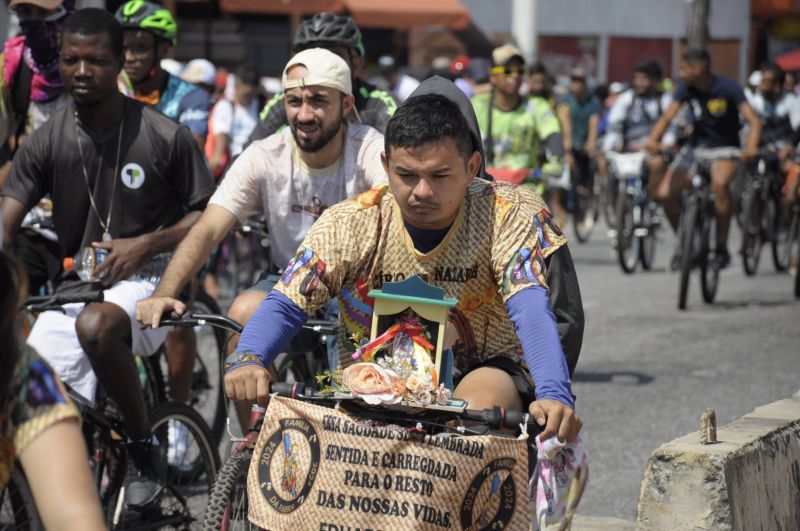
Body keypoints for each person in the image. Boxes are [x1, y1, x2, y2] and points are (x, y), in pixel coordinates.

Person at [223, 76, 584, 444]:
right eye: (406, 175)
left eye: (439, 176)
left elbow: (531, 306)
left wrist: (554, 393)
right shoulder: (350, 221)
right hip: (373, 384)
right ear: (385, 162)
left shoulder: (510, 213)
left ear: (472, 166)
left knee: (466, 420)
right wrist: (250, 355)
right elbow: (287, 300)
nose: (422, 192)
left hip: (483, 371)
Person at [0, 8, 214, 510]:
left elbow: (207, 218)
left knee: (97, 327)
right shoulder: (48, 137)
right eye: (71, 60)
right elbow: (8, 213)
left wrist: (145, 245)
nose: (80, 72)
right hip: (80, 288)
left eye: (95, 61)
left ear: (119, 62)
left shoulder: (165, 135)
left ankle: (144, 450)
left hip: (156, 286)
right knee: (32, 389)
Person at [136, 49, 388, 386]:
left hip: (357, 289)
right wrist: (164, 291)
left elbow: (395, 207)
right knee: (241, 315)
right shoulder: (265, 155)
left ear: (345, 105)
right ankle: (252, 435)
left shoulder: (369, 149)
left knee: (357, 389)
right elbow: (209, 227)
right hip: (288, 282)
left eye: (318, 100)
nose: (304, 114)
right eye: (294, 101)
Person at [0, 251, 106, 531]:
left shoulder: (22, 376)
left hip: (108, 282)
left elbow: (75, 519)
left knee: (96, 328)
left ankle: (141, 445)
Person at [646, 49, 761, 267]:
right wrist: (653, 139)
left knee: (720, 186)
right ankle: (686, 241)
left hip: (725, 149)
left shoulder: (729, 88)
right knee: (664, 194)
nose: (679, 73)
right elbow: (668, 116)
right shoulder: (685, 89)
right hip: (694, 149)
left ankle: (720, 246)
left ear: (697, 69)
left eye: (683, 68)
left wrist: (751, 148)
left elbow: (754, 120)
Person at [248, 12, 396, 143]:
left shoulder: (378, 102)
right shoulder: (285, 100)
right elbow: (247, 154)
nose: (322, 65)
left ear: (356, 63)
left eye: (334, 56)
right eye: (310, 55)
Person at [471, 44, 568, 224]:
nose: (515, 76)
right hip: (484, 193)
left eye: (519, 70)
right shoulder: (477, 107)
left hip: (527, 192)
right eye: (507, 70)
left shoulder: (537, 107)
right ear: (493, 76)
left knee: (550, 243)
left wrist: (557, 160)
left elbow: (552, 133)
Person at [114, 0, 210, 147]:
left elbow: (191, 149)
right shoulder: (109, 91)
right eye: (122, 47)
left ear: (163, 50)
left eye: (140, 47)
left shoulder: (190, 96)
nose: (129, 57)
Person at [602, 60, 675, 200]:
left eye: (644, 79)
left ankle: (654, 200)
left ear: (655, 81)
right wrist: (611, 144)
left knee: (657, 164)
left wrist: (665, 144)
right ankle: (612, 200)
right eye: (637, 78)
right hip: (628, 149)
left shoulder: (665, 100)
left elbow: (671, 127)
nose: (639, 83)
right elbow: (614, 124)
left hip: (653, 151)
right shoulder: (627, 98)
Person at [206, 64, 261, 178]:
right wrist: (217, 157)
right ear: (236, 86)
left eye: (253, 94)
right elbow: (222, 133)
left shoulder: (261, 105)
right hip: (233, 167)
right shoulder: (225, 106)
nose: (250, 97)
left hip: (257, 166)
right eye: (246, 94)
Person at [561, 68, 601, 223]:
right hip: (570, 141)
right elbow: (565, 120)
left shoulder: (593, 101)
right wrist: (568, 144)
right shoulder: (566, 100)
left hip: (586, 142)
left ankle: (591, 194)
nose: (576, 84)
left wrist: (591, 142)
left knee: (590, 167)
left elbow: (594, 121)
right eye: (574, 81)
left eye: (580, 81)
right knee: (570, 169)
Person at [748, 62, 800, 171]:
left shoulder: (791, 101)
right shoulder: (759, 102)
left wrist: (789, 146)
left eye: (765, 82)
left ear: (776, 86)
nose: (761, 87)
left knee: (791, 170)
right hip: (766, 152)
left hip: (788, 153)